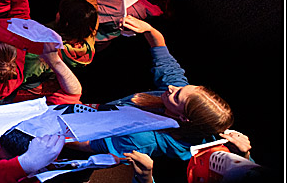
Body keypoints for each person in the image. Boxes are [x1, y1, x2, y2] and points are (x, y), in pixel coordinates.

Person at [77, 16, 234, 161]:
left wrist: (58, 137)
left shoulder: (144, 139)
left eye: (177, 95)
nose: (172, 87)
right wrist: (149, 29)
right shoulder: (178, 94)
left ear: (184, 118)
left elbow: (91, 144)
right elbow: (161, 53)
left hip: (76, 141)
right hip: (91, 117)